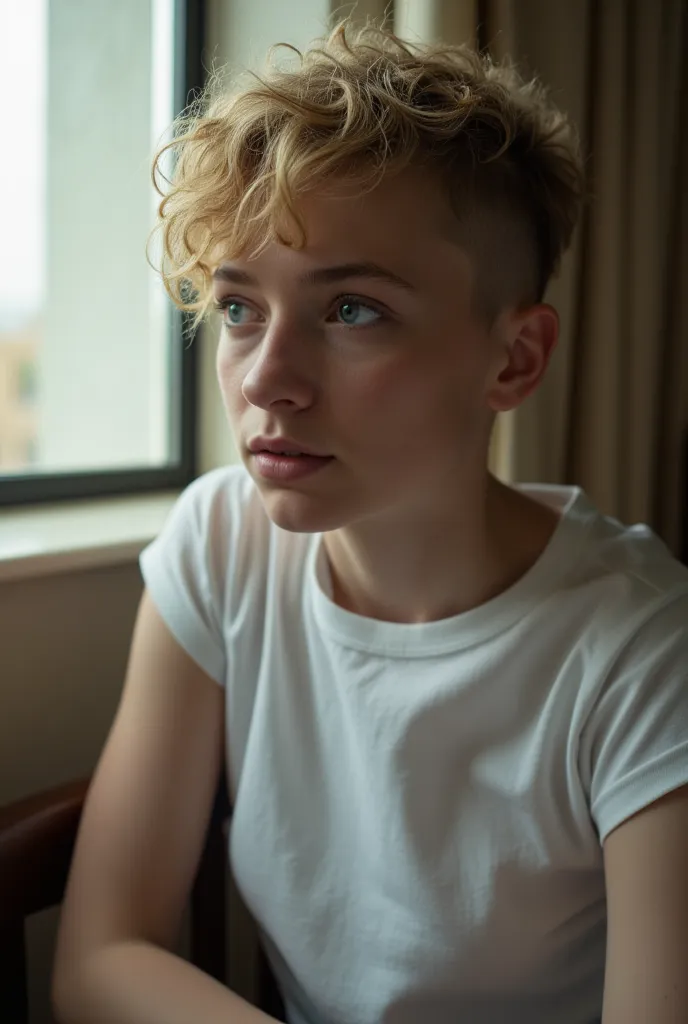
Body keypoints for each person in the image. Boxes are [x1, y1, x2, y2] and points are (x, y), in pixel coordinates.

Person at [52, 18, 688, 1024]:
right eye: (238, 308)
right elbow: (101, 955)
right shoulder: (221, 544)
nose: (266, 380)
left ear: (514, 360)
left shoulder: (639, 648)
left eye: (351, 311)